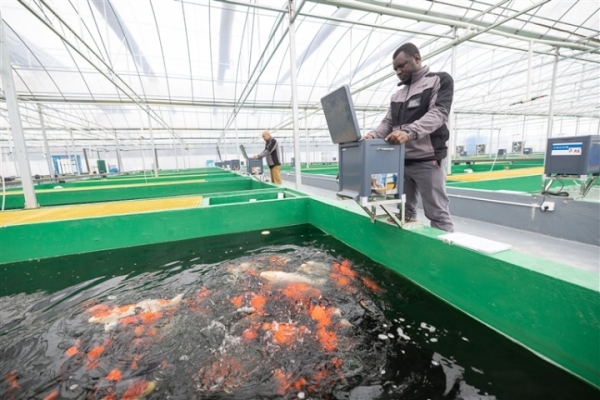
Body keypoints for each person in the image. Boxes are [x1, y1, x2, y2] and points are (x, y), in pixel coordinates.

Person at [363, 42, 454, 232]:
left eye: (402, 65)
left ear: (417, 58)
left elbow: (439, 113)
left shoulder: (439, 80)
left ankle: (445, 256)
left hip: (428, 161)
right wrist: (372, 135)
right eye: (395, 68)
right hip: (401, 162)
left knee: (437, 213)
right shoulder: (398, 95)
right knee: (404, 212)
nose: (398, 71)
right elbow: (388, 122)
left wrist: (409, 132)